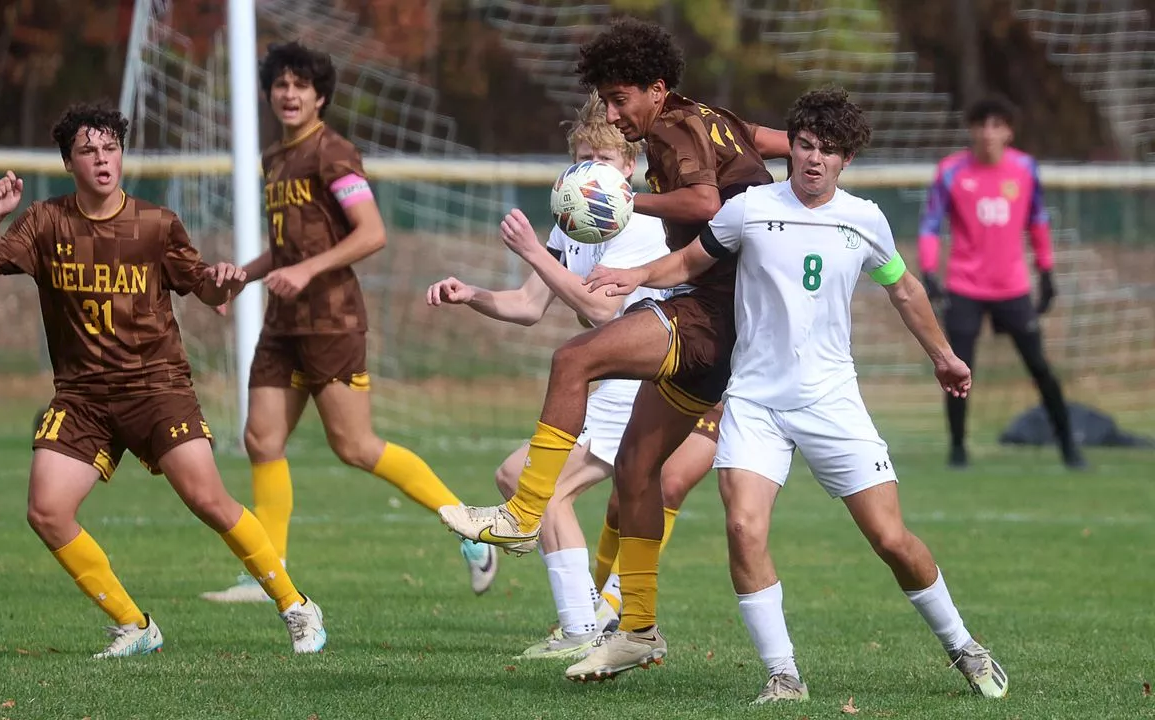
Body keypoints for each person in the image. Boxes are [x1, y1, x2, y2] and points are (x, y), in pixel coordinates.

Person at [587, 86, 1008, 701]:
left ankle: (963, 645)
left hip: (831, 401)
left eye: (828, 151)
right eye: (805, 146)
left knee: (891, 540)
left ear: (846, 161)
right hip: (755, 401)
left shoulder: (865, 220)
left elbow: (906, 290)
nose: (813, 159)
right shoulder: (750, 208)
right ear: (793, 149)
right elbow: (688, 264)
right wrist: (635, 275)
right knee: (743, 527)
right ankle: (783, 674)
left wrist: (944, 356)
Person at [438, 17, 788, 679]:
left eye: (620, 98)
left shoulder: (668, 129)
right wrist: (811, 158)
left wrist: (633, 199)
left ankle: (522, 514)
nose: (613, 112)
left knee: (575, 358)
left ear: (656, 89)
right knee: (635, 472)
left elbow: (707, 201)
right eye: (605, 98)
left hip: (716, 314)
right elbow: (773, 140)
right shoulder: (710, 116)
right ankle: (638, 630)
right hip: (732, 314)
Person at [0, 103, 325, 658]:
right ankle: (136, 626)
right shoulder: (43, 222)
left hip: (156, 387)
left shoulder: (156, 224)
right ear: (68, 162)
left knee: (208, 498)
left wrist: (226, 281)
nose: (102, 160)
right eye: (88, 151)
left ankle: (297, 607)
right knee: (46, 511)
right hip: (82, 397)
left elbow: (208, 291)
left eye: (110, 149)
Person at [201, 42, 498, 603]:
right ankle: (271, 574)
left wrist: (308, 270)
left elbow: (371, 232)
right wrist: (243, 275)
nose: (289, 94)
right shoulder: (274, 160)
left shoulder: (333, 153)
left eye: (301, 86)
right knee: (261, 439)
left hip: (331, 322)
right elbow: (288, 245)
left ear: (321, 97)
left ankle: (472, 532)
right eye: (280, 85)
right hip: (283, 323)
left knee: (356, 446)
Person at [426, 93, 719, 660]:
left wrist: (536, 252)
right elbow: (529, 305)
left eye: (603, 164)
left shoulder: (639, 224)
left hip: (644, 380)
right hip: (610, 378)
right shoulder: (575, 222)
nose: (590, 179)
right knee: (516, 476)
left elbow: (605, 310)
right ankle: (586, 623)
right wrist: (472, 295)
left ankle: (583, 627)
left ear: (629, 168)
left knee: (540, 487)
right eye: (582, 164)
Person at [919, 94, 1085, 469]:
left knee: (1039, 366)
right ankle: (958, 450)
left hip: (1012, 286)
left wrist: (1046, 273)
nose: (988, 133)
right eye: (981, 125)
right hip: (964, 286)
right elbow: (930, 224)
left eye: (996, 125)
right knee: (956, 368)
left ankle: (1069, 448)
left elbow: (1038, 220)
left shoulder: (1025, 170)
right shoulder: (951, 172)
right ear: (971, 130)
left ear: (1009, 131)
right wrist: (929, 271)